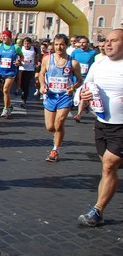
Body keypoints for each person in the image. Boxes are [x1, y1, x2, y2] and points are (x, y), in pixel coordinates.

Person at [77, 29, 123, 227]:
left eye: (114, 40)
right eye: (106, 40)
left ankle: (97, 211)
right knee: (107, 167)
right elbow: (85, 86)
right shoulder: (99, 63)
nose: (108, 44)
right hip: (102, 123)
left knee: (109, 165)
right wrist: (83, 95)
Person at [38, 34, 83, 162]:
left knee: (59, 123)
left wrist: (73, 87)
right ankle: (58, 135)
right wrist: (42, 85)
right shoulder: (48, 59)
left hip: (65, 97)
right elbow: (42, 73)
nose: (59, 47)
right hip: (50, 96)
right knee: (50, 127)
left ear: (67, 45)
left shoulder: (73, 62)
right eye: (57, 44)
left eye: (62, 44)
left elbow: (80, 80)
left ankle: (55, 150)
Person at [0, 30, 23, 118]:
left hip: (11, 72)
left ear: (10, 37)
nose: (3, 38)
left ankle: (6, 109)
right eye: (2, 36)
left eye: (5, 36)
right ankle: (9, 105)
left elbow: (21, 56)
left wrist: (19, 61)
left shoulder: (16, 47)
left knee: (5, 90)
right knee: (5, 91)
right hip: (1, 71)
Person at [71, 36, 97, 122]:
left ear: (88, 43)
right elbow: (70, 63)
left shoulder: (93, 53)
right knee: (76, 95)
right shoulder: (75, 52)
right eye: (80, 42)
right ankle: (86, 105)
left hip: (87, 78)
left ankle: (78, 114)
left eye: (84, 42)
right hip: (76, 77)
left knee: (82, 95)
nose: (82, 44)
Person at [19, 37, 39, 109]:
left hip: (30, 69)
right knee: (21, 84)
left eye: (28, 43)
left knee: (26, 84)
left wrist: (37, 62)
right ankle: (23, 91)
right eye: (25, 43)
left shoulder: (34, 49)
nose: (26, 45)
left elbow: (37, 57)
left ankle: (24, 100)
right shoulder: (21, 48)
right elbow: (18, 56)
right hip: (21, 69)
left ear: (30, 43)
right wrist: (18, 61)